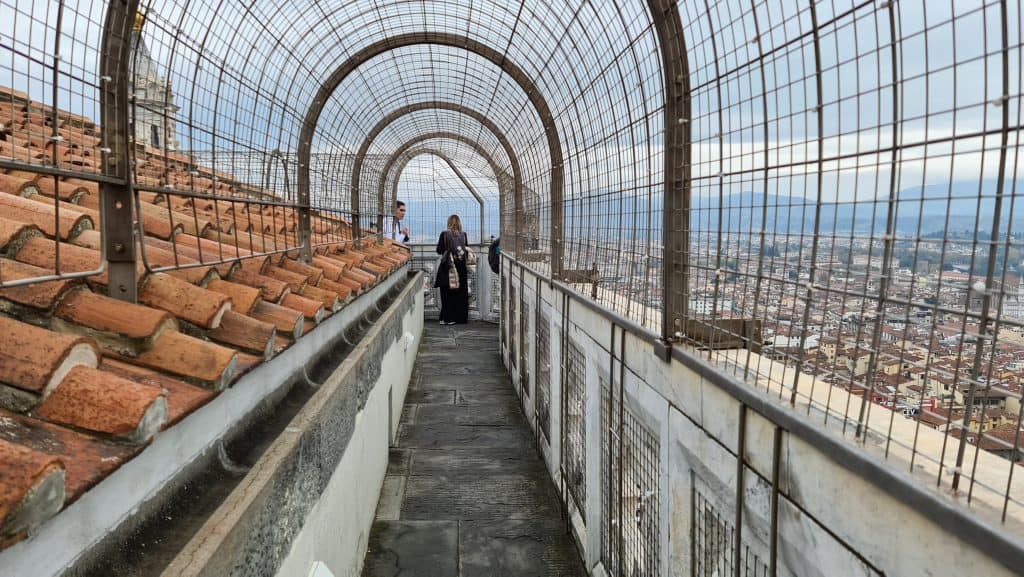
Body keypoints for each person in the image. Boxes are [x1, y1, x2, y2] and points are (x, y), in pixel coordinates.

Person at [434, 214, 470, 325]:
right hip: (461, 267)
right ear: (459, 223)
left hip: (448, 267)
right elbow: (465, 250)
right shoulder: (464, 235)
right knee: (460, 292)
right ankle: (460, 318)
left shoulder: (444, 234)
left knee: (447, 293)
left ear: (448, 223)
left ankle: (448, 318)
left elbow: (439, 250)